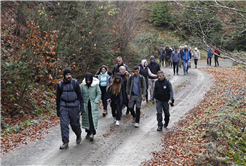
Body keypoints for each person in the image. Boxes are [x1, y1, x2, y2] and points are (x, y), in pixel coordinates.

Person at [56, 68, 84, 149]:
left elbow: (80, 96)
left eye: (69, 74)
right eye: (67, 75)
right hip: (63, 106)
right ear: (64, 76)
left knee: (75, 124)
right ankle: (65, 141)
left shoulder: (75, 83)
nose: (69, 76)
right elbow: (58, 98)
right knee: (64, 124)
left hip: (74, 106)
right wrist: (58, 109)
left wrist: (81, 107)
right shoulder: (60, 84)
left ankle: (78, 134)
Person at [80, 73, 101, 142]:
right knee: (87, 118)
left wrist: (96, 101)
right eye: (87, 80)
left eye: (89, 80)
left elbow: (99, 93)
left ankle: (92, 133)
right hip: (85, 105)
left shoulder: (95, 85)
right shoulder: (82, 85)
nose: (88, 81)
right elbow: (80, 94)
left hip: (93, 105)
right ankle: (88, 132)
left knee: (92, 118)